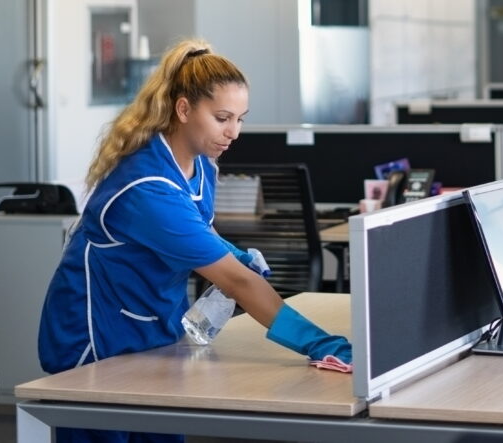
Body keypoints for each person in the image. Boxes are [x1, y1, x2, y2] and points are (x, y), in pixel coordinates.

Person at [38, 40, 350, 443]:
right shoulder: (147, 188)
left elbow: (197, 230)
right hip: (99, 340)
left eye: (240, 118)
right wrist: (321, 344)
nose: (234, 132)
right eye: (222, 117)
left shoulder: (200, 164)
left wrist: (232, 253)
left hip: (154, 329)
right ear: (183, 109)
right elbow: (237, 283)